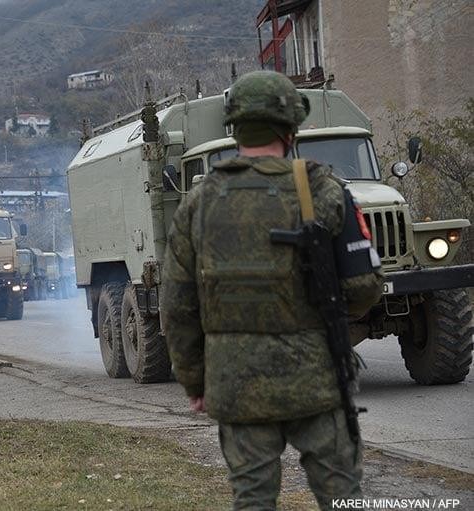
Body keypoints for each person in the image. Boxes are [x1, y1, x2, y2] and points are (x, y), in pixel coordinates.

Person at [161, 70, 383, 510]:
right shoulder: (324, 189)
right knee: (343, 498)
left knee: (253, 499)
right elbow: (363, 287)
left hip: (235, 384)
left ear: (233, 127)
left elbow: (178, 308)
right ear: (291, 128)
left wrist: (195, 381)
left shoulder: (197, 204)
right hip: (317, 380)